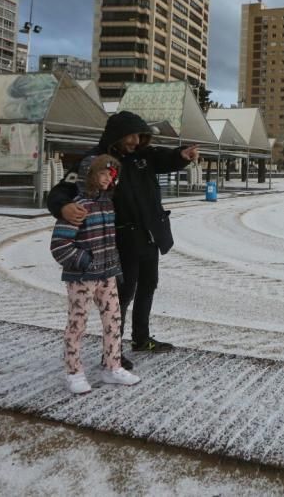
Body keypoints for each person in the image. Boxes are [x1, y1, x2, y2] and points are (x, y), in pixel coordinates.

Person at [48, 111, 199, 369]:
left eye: (138, 135)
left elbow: (164, 158)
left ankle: (141, 338)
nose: (134, 140)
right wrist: (62, 207)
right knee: (121, 295)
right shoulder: (95, 161)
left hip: (149, 234)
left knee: (148, 286)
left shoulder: (143, 156)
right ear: (115, 135)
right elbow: (61, 190)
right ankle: (113, 351)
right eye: (129, 135)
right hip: (120, 239)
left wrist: (181, 155)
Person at [50, 154, 140, 394]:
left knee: (113, 321)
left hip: (107, 274)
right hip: (82, 278)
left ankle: (112, 366)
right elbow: (59, 245)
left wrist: (113, 266)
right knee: (77, 323)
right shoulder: (78, 206)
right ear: (89, 175)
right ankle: (73, 372)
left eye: (111, 174)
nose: (107, 178)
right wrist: (84, 263)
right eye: (102, 173)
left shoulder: (107, 204)